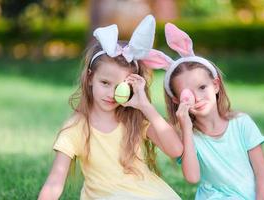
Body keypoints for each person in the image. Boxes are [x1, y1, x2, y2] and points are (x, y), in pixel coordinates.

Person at [38, 15, 183, 200]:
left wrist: (146, 107)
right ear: (90, 78)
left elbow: (176, 150)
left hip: (149, 194)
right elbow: (54, 183)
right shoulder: (76, 128)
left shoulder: (135, 119)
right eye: (105, 82)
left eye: (121, 86)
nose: (111, 93)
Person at [143, 23, 264, 199]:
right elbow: (192, 177)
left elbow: (263, 175)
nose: (197, 98)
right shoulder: (188, 137)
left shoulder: (242, 123)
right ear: (176, 100)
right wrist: (186, 128)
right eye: (188, 94)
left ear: (216, 85)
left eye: (202, 87)